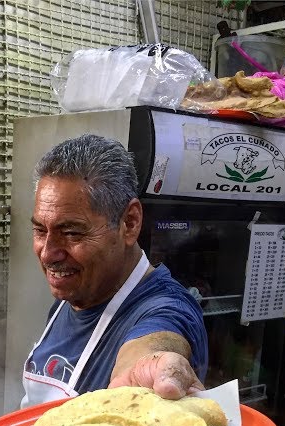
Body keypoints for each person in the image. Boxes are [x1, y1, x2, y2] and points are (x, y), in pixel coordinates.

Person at [20, 133, 209, 407]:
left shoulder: (166, 308)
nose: (48, 253)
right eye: (39, 229)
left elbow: (157, 343)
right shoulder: (72, 296)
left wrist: (151, 367)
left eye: (72, 232)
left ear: (129, 223)